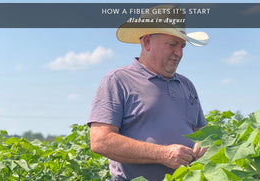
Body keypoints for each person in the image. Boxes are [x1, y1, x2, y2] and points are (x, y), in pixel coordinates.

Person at [88, 5, 209, 181]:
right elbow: (100, 141)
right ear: (147, 42)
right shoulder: (118, 80)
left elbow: (202, 132)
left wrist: (204, 143)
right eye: (172, 44)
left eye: (182, 46)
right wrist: (162, 154)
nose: (179, 52)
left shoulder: (187, 85)